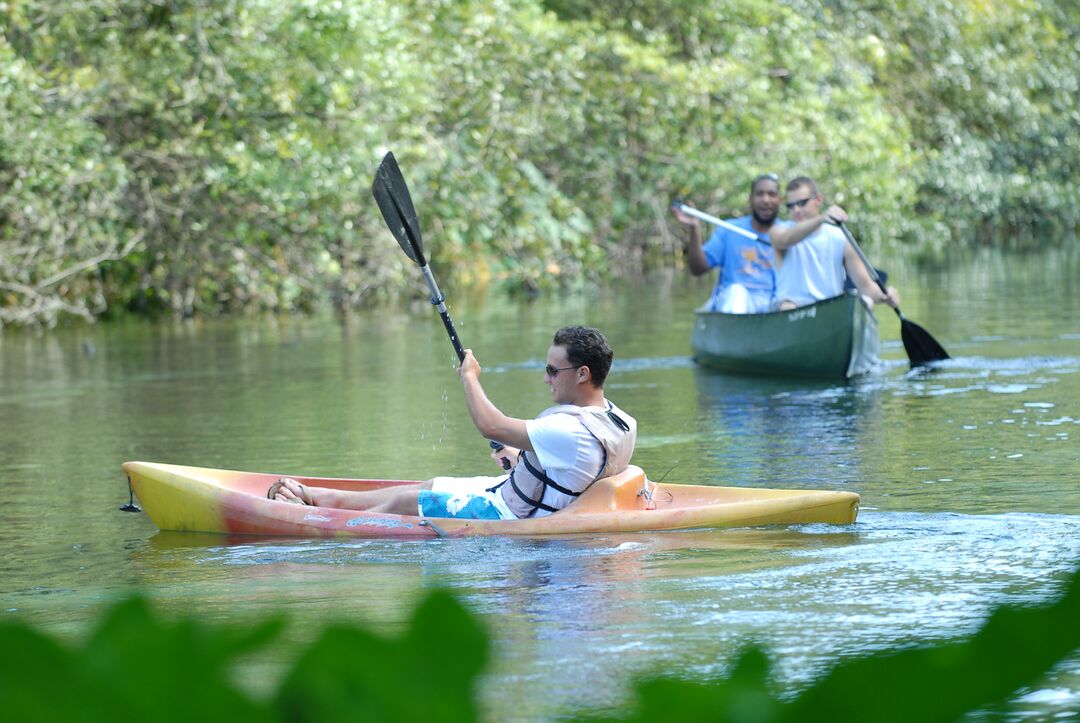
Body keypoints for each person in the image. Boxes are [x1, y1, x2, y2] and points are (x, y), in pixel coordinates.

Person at [267, 326, 637, 520]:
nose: (546, 379)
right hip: (517, 494)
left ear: (583, 374)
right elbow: (569, 471)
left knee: (410, 501)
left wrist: (469, 377)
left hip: (513, 516)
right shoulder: (616, 419)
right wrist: (519, 457)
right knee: (433, 484)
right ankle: (323, 499)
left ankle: (320, 524)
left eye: (553, 370)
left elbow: (490, 425)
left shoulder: (568, 430)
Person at [769, 176, 900, 311]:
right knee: (787, 307)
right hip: (793, 309)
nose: (796, 210)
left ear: (818, 200)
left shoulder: (840, 236)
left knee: (867, 302)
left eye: (802, 203)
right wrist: (821, 218)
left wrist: (885, 295)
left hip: (830, 309)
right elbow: (785, 239)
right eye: (791, 206)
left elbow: (866, 287)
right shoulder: (778, 230)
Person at [671, 173, 790, 313]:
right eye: (759, 194)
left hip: (773, 304)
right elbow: (697, 269)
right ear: (750, 199)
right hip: (735, 304)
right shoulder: (729, 230)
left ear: (780, 200)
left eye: (771, 194)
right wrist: (694, 228)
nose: (765, 200)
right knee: (736, 292)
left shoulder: (790, 232)